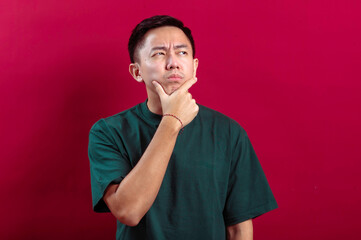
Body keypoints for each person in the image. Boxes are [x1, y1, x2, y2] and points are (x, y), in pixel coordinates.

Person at [88, 15, 278, 240]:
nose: (173, 63)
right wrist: (172, 120)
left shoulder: (228, 132)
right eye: (159, 53)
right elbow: (128, 211)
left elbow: (238, 229)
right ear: (136, 71)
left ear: (194, 66)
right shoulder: (109, 132)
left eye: (182, 52)